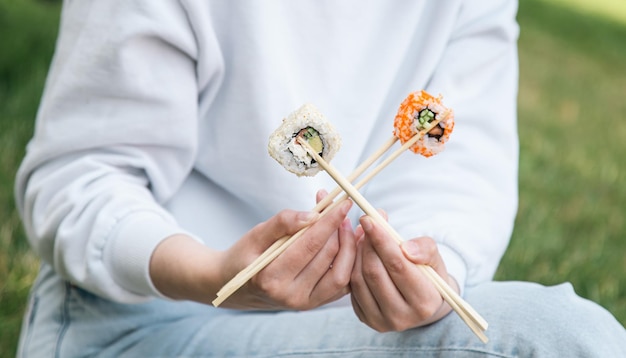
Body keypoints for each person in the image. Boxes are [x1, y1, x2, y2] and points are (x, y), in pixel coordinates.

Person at [14, 0, 626, 357]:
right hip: (138, 321)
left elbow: (463, 170)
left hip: (340, 324)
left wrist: (438, 271)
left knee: (571, 339)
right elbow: (81, 174)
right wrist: (213, 273)